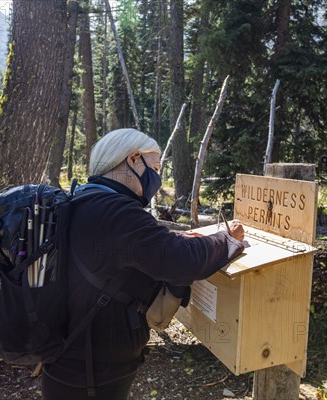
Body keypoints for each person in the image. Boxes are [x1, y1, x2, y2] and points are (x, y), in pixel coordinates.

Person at [42, 128, 245, 399]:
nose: (158, 177)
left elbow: (132, 247)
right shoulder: (116, 212)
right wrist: (227, 239)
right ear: (134, 159)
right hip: (94, 370)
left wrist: (173, 238)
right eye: (156, 166)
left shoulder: (84, 199)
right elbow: (180, 260)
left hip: (68, 356)